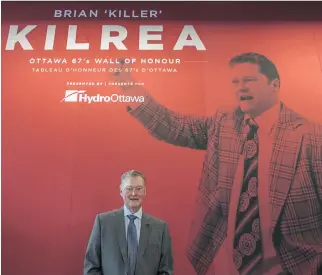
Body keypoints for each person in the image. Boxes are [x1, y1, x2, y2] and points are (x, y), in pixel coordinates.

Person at [113, 52, 322, 275]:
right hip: (226, 265)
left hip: (294, 266)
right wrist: (128, 87)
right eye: (236, 82)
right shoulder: (225, 122)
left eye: (249, 81)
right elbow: (174, 127)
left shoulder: (310, 135)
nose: (241, 88)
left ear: (275, 85)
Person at [84, 170, 174, 275]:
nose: (134, 193)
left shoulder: (160, 228)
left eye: (139, 189)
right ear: (121, 191)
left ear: (145, 192)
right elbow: (91, 265)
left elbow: (166, 270)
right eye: (129, 189)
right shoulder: (103, 222)